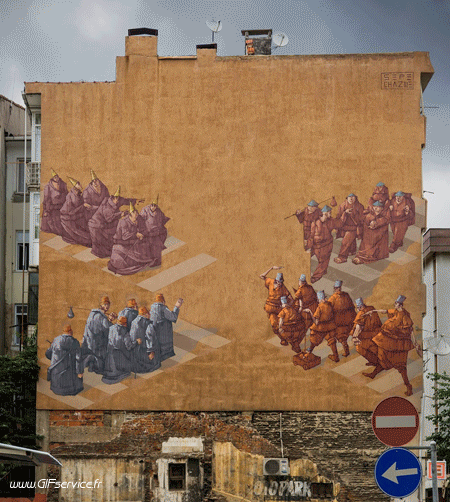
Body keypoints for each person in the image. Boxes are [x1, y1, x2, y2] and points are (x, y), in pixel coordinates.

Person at [362, 295, 415, 396]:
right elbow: (385, 311)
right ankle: (373, 374)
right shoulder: (396, 311)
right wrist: (373, 311)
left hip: (398, 344)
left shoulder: (404, 315)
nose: (394, 305)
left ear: (400, 305)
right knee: (383, 357)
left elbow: (406, 328)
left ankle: (408, 386)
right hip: (389, 340)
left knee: (400, 366)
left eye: (396, 304)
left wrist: (394, 330)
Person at [108, 203, 158, 275]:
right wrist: (136, 234)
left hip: (133, 241)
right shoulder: (123, 221)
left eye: (136, 214)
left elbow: (144, 229)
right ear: (130, 216)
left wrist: (142, 234)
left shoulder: (138, 218)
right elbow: (125, 236)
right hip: (122, 242)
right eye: (134, 216)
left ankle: (147, 260)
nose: (136, 218)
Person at [88, 186, 138, 258]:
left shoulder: (116, 201)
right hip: (95, 224)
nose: (117, 201)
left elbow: (124, 200)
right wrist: (121, 214)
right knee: (98, 243)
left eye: (118, 199)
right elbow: (109, 219)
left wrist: (135, 201)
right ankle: (98, 254)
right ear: (112, 198)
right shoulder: (106, 207)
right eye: (116, 199)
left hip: (101, 224)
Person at [81, 296, 117, 374]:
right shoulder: (101, 317)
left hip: (89, 340)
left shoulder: (92, 314)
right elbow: (109, 328)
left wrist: (108, 319)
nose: (107, 306)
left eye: (108, 304)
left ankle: (91, 366)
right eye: (105, 304)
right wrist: (110, 320)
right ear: (101, 305)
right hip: (96, 342)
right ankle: (97, 368)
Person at [46, 324, 83, 396]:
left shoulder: (56, 340)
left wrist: (56, 358)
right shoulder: (75, 342)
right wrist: (80, 372)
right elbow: (78, 359)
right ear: (70, 331)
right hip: (70, 387)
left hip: (55, 386)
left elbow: (48, 354)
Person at [307, 205, 341, 283]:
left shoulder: (331, 221)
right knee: (319, 260)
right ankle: (322, 270)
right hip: (316, 245)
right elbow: (311, 234)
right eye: (329, 213)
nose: (330, 214)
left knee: (323, 261)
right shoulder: (315, 222)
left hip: (326, 244)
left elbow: (339, 224)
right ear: (324, 213)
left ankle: (316, 276)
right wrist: (309, 246)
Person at [303, 290, 340, 362]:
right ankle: (336, 356)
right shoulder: (330, 305)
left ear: (319, 299)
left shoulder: (319, 307)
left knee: (314, 338)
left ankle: (309, 352)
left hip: (320, 328)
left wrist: (310, 312)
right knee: (332, 341)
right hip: (330, 326)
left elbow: (316, 322)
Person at [259, 266, 293, 338]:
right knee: (274, 324)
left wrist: (286, 305)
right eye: (278, 282)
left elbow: (291, 299)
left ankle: (284, 338)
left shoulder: (283, 288)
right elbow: (261, 276)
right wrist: (271, 268)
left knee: (283, 323)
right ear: (275, 281)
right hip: (270, 308)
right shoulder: (270, 281)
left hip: (278, 309)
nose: (280, 284)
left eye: (281, 282)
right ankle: (282, 338)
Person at [60, 178, 92, 247]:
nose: (80, 185)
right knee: (83, 236)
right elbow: (70, 212)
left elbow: (80, 205)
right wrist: (83, 206)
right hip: (68, 217)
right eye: (78, 184)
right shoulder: (70, 196)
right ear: (75, 186)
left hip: (76, 215)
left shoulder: (78, 194)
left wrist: (86, 206)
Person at [150, 294, 183, 361]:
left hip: (156, 338)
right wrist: (177, 306)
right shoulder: (163, 308)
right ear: (163, 301)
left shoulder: (152, 309)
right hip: (165, 337)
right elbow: (173, 317)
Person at [102, 316, 134, 384]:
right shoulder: (124, 331)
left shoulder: (111, 328)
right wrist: (136, 342)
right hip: (119, 354)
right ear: (124, 324)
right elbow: (128, 346)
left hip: (110, 353)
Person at [350, 297, 382, 367]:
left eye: (358, 307)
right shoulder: (371, 308)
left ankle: (376, 362)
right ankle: (376, 361)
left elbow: (359, 326)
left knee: (359, 348)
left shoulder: (361, 314)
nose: (358, 309)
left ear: (360, 307)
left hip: (369, 335)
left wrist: (354, 336)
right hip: (378, 332)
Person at [334, 193, 365, 264]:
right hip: (344, 226)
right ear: (347, 198)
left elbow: (362, 218)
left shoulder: (359, 206)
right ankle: (352, 251)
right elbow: (338, 216)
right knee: (350, 239)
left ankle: (342, 257)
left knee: (345, 242)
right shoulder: (342, 205)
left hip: (353, 227)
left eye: (353, 197)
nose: (351, 199)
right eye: (349, 197)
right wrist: (345, 213)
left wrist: (354, 216)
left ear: (355, 198)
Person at [328, 280, 356, 357]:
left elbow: (328, 309)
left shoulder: (333, 298)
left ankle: (346, 351)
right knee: (345, 336)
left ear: (335, 288)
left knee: (341, 337)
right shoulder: (346, 295)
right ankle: (347, 350)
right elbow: (352, 306)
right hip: (349, 320)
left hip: (339, 322)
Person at [129, 306, 161, 373]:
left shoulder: (134, 321)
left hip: (135, 350)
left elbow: (132, 336)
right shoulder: (148, 323)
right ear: (145, 314)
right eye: (148, 313)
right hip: (144, 350)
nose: (150, 315)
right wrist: (151, 351)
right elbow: (150, 338)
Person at [140, 198, 170, 263]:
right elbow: (140, 220)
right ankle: (150, 259)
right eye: (152, 205)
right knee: (151, 244)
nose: (153, 207)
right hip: (148, 231)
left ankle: (156, 259)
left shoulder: (158, 211)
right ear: (150, 205)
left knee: (159, 241)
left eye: (155, 206)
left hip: (156, 231)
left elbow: (163, 218)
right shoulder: (145, 210)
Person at [41, 169, 68, 236]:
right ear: (52, 178)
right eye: (54, 177)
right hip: (53, 207)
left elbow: (66, 194)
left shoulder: (63, 184)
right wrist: (47, 210)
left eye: (57, 176)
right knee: (54, 223)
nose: (56, 178)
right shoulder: (48, 186)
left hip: (62, 206)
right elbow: (47, 199)